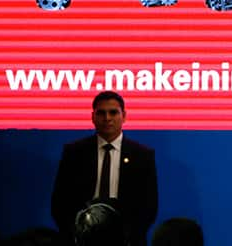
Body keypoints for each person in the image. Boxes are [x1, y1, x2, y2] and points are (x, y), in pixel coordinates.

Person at [51, 91, 158, 246]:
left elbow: (149, 206)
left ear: (124, 116)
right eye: (101, 113)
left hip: (127, 239)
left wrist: (126, 235)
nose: (107, 118)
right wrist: (77, 233)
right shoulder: (74, 152)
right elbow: (60, 202)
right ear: (93, 117)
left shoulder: (142, 155)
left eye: (113, 112)